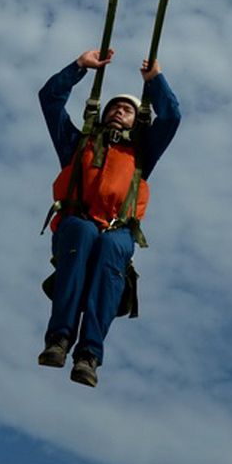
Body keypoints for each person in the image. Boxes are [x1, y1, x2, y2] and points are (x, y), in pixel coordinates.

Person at [37, 46, 181, 387]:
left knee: (111, 256)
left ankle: (88, 355)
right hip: (78, 222)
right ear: (103, 115)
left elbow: (172, 116)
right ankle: (58, 340)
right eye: (115, 107)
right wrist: (79, 67)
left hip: (117, 230)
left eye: (128, 110)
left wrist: (156, 80)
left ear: (137, 120)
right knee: (84, 237)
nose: (120, 111)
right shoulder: (77, 143)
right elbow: (50, 99)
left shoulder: (143, 151)